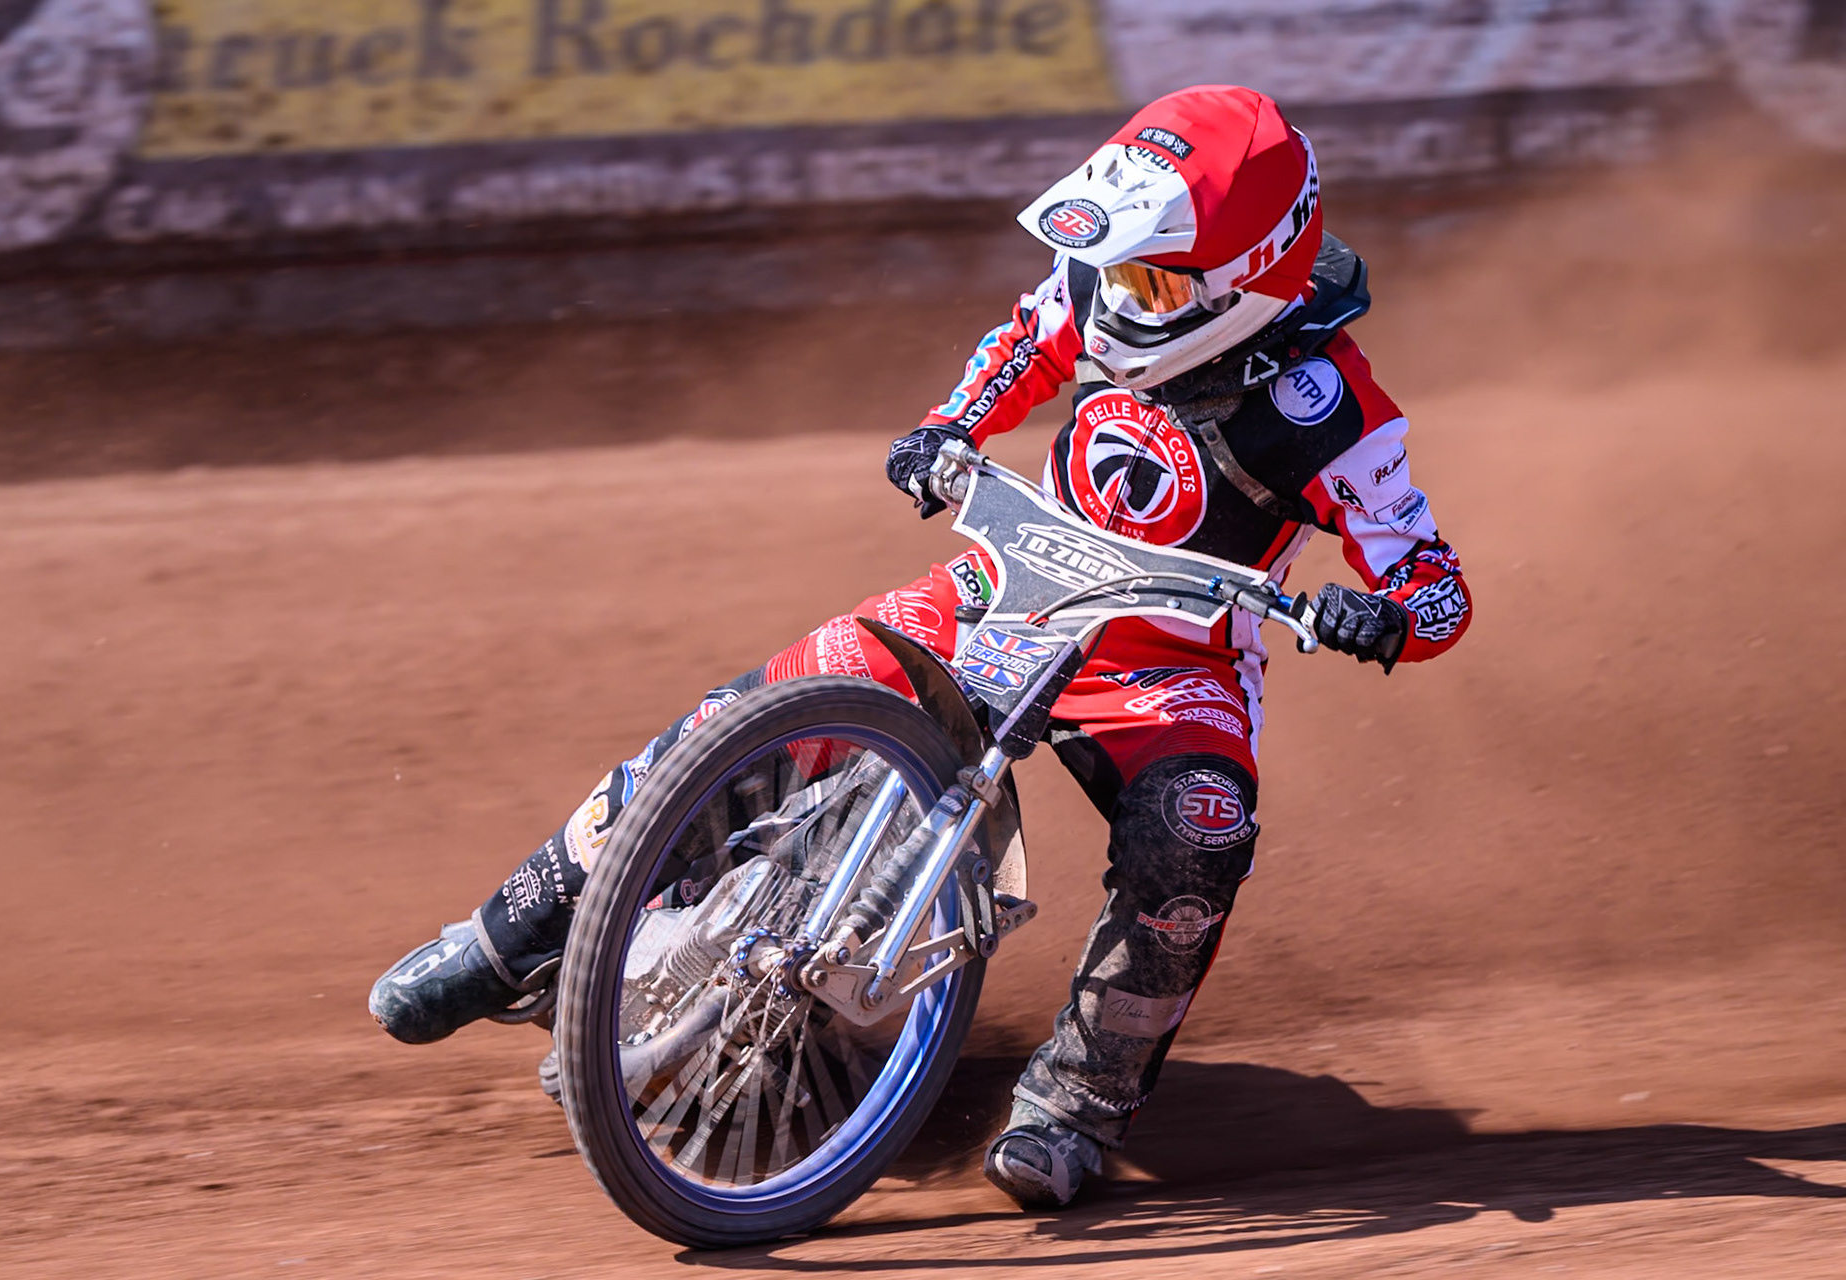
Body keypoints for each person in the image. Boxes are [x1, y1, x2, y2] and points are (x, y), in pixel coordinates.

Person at [368, 84, 1472, 1210]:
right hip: (1007, 587)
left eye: (1156, 280)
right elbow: (1025, 343)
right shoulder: (1101, 287)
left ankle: (1078, 1098)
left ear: (1255, 274)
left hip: (1172, 664)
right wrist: (953, 424)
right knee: (769, 698)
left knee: (1199, 829)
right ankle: (518, 927)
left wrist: (1378, 617)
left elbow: (1437, 584)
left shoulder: (1333, 411)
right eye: (1124, 270)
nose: (1122, 300)